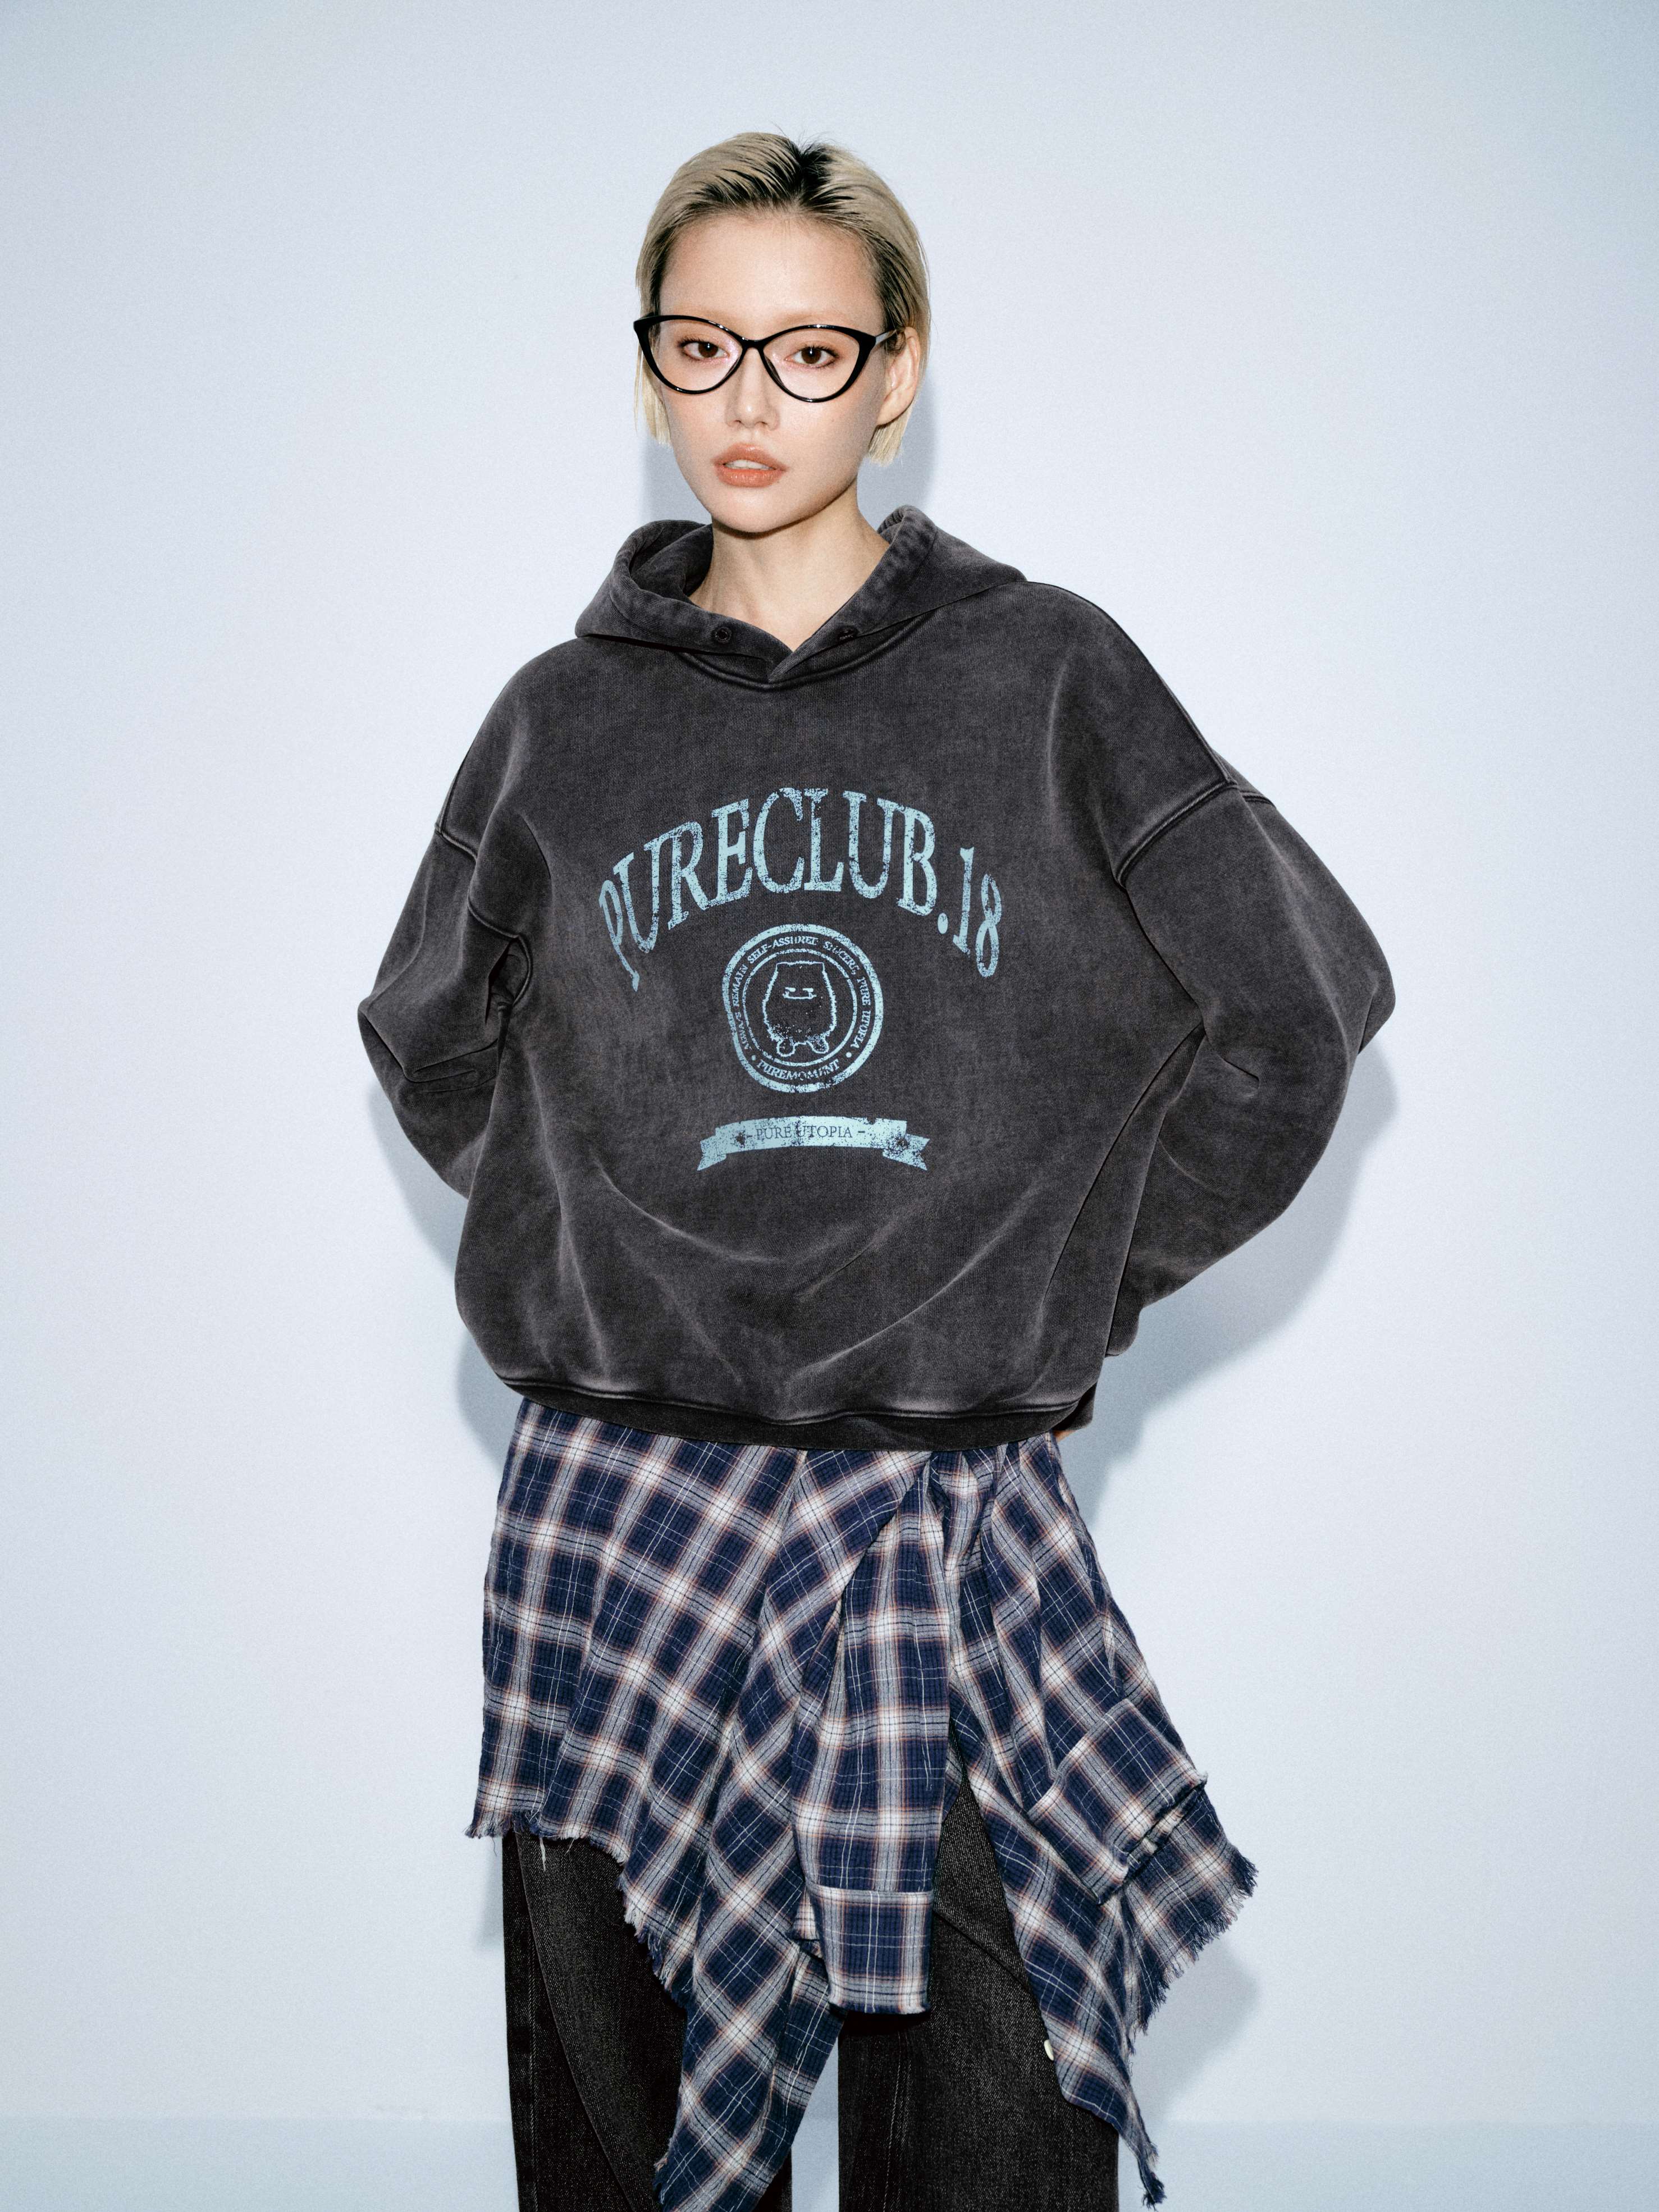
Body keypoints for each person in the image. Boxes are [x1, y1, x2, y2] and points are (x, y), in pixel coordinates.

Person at [358, 132, 1394, 2212]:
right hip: (618, 1510)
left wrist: (1067, 1268)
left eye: (809, 349)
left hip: (940, 1513)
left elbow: (1298, 1006)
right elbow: (426, 1030)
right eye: (701, 345)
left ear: (897, 371)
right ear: (647, 366)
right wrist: (599, 1234)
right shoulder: (561, 719)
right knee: (626, 2142)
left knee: (996, 2134)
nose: (747, 399)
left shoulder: (1049, 675)